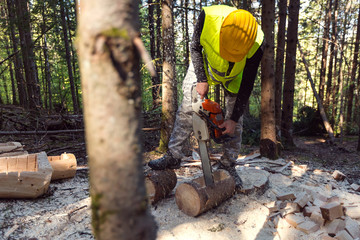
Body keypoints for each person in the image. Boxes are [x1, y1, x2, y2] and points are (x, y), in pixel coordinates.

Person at [148, 5, 264, 189]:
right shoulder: (208, 18)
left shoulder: (256, 43)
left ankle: (228, 164)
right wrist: (201, 79)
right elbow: (194, 47)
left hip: (236, 75)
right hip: (205, 64)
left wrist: (232, 119)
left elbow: (248, 82)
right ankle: (174, 155)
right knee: (187, 106)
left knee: (236, 119)